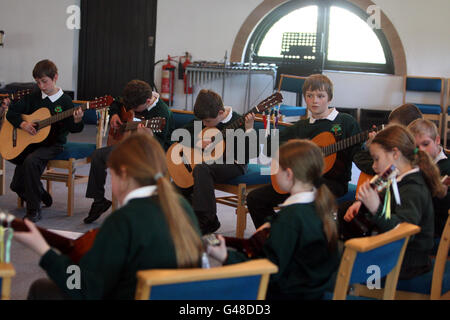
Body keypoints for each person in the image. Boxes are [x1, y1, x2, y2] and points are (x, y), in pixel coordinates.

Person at [14, 133, 203, 299]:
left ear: (123, 173)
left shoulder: (123, 221)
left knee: (41, 289)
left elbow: (82, 287)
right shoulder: (182, 207)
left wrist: (45, 252)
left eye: (110, 175)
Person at [207, 139, 340, 299]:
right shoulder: (322, 205)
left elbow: (267, 269)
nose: (273, 171)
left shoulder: (290, 218)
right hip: (313, 291)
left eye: (276, 167)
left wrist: (226, 257)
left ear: (289, 174)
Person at [247, 74, 373, 229]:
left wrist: (370, 148)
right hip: (299, 180)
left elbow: (358, 155)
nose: (315, 101)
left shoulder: (345, 122)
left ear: (329, 98)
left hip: (332, 183)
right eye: (310, 96)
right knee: (255, 198)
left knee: (301, 203)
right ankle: (273, 237)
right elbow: (269, 147)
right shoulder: (301, 126)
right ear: (305, 98)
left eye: (320, 96)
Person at [344, 124, 446, 279]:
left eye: (377, 159)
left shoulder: (413, 188)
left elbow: (403, 233)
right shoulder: (395, 172)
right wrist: (362, 202)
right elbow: (379, 184)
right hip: (400, 254)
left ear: (396, 154)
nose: (374, 166)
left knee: (340, 259)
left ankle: (367, 290)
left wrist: (376, 209)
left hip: (407, 262)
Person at [83, 79, 174, 224]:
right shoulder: (134, 98)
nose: (131, 109)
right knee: (98, 155)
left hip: (152, 154)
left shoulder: (162, 113)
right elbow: (116, 102)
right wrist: (114, 114)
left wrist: (148, 136)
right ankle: (99, 200)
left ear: (148, 101)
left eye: (135, 108)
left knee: (131, 169)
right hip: (130, 146)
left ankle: (140, 209)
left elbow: (160, 146)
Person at [5, 59, 84, 221]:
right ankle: (41, 194)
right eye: (38, 82)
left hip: (53, 144)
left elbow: (75, 129)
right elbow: (12, 112)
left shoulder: (65, 102)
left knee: (31, 162)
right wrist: (23, 123)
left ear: (55, 77)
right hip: (31, 143)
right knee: (16, 185)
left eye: (44, 81)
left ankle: (33, 210)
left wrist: (77, 120)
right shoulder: (33, 97)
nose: (41, 86)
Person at [175, 89, 256, 234]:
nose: (205, 125)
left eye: (207, 122)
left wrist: (249, 129)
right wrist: (197, 142)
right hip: (208, 162)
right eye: (203, 121)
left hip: (235, 163)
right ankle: (190, 220)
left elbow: (250, 152)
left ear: (220, 112)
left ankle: (207, 221)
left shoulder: (238, 121)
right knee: (177, 185)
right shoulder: (206, 118)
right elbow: (177, 136)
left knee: (202, 169)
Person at [408, 119, 450, 238]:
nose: (421, 150)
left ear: (437, 140)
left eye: (425, 144)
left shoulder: (446, 166)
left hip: (435, 230)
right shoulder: (411, 163)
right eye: (416, 147)